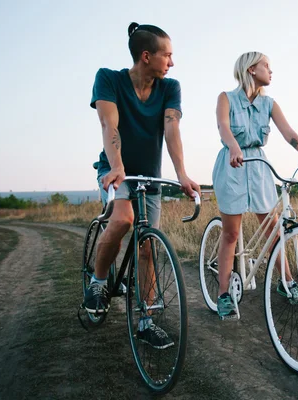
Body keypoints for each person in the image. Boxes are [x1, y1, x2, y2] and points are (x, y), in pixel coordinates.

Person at [85, 22, 200, 347]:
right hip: (116, 170)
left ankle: (146, 320)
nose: (172, 62)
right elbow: (109, 122)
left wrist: (181, 173)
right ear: (146, 56)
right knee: (122, 219)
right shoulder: (108, 78)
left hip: (148, 177)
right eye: (168, 55)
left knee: (147, 247)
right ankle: (99, 282)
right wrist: (118, 166)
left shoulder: (169, 87)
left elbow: (172, 128)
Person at [212, 52, 298, 320]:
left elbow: (289, 133)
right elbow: (223, 126)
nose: (271, 71)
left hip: (259, 167)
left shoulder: (270, 104)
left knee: (273, 230)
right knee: (231, 233)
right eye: (267, 66)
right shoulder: (225, 98)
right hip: (233, 164)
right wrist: (233, 147)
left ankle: (286, 282)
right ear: (252, 69)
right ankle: (224, 294)